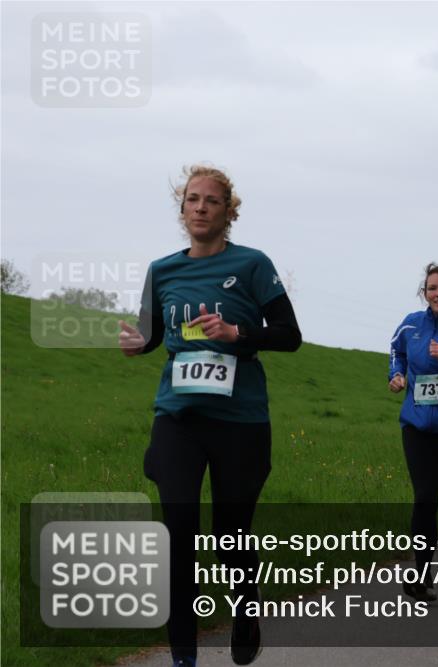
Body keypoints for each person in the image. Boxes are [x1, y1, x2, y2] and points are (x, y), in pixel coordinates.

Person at [119, 165, 302, 667]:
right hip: (178, 417)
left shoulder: (251, 264)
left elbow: (289, 335)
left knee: (230, 535)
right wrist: (139, 342)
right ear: (182, 210)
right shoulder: (163, 270)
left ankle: (245, 614)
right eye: (192, 200)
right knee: (178, 528)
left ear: (228, 212)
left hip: (239, 422)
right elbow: (154, 334)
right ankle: (183, 658)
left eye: (212, 201)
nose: (200, 207)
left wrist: (238, 335)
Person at [389, 264, 438, 602]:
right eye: (432, 288)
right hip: (418, 426)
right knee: (424, 497)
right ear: (425, 292)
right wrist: (396, 375)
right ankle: (421, 574)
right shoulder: (411, 324)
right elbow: (397, 351)